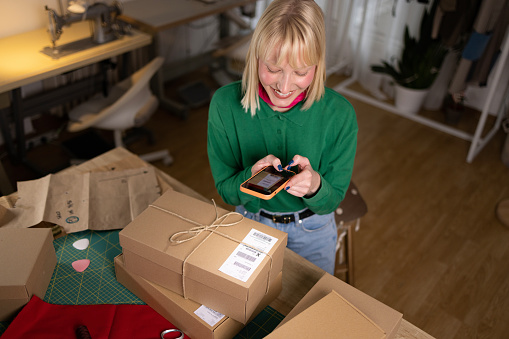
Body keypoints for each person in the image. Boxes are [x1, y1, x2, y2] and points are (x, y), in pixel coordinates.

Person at [207, 0, 357, 275]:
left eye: (300, 72)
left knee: (309, 313)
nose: (284, 87)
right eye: (273, 69)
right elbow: (226, 192)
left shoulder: (340, 114)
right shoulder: (224, 104)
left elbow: (332, 201)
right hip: (250, 223)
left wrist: (315, 185)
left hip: (313, 230)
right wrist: (249, 180)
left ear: (318, 64)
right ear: (255, 57)